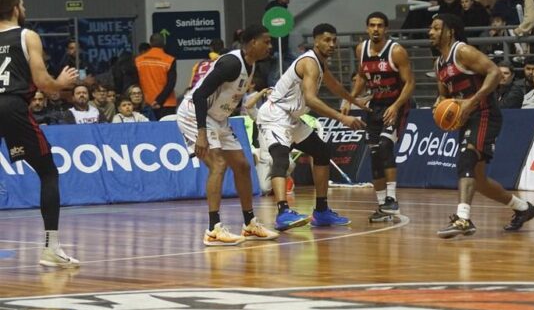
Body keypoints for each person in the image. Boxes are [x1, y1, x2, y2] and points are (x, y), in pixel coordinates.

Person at [429, 14, 534, 238]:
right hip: (467, 117)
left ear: (449, 31)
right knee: (478, 180)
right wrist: (439, 104)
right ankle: (523, 208)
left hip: (485, 113)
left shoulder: (463, 51)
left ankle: (463, 219)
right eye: (431, 28)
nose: (431, 32)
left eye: (436, 28)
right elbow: (444, 95)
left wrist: (473, 100)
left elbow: (494, 72)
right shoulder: (439, 63)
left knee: (466, 159)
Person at [254, 23, 367, 231]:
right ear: (315, 41)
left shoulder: (320, 64)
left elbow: (334, 86)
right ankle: (282, 213)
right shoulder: (309, 62)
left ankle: (321, 211)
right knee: (281, 158)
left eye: (334, 40)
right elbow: (311, 100)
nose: (331, 44)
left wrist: (355, 101)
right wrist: (342, 118)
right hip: (275, 114)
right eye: (326, 40)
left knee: (321, 151)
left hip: (291, 117)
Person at [176, 24, 279, 245]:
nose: (270, 46)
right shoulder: (231, 63)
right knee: (218, 164)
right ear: (253, 43)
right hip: (195, 113)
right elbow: (199, 95)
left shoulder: (251, 65)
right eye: (266, 42)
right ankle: (213, 229)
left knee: (242, 166)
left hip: (218, 118)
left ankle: (250, 224)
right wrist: (202, 133)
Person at [0, 0, 79, 267]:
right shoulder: (26, 36)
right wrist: (61, 83)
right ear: (15, 9)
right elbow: (44, 84)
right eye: (22, 4)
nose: (24, 8)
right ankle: (51, 248)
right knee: (48, 171)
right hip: (11, 106)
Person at [345, 12, 415, 222]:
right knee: (374, 153)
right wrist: (350, 98)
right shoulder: (361, 49)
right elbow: (361, 77)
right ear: (367, 28)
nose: (376, 29)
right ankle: (383, 205)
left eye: (380, 25)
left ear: (386, 29)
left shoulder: (397, 51)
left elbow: (410, 83)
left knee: (385, 146)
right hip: (375, 106)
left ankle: (392, 199)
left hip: (395, 104)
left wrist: (395, 105)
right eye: (372, 25)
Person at [135, 33, 177, 119]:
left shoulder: (138, 60)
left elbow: (136, 81)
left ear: (150, 43)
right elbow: (171, 84)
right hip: (166, 104)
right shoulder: (169, 60)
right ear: (164, 43)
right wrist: (159, 101)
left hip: (146, 103)